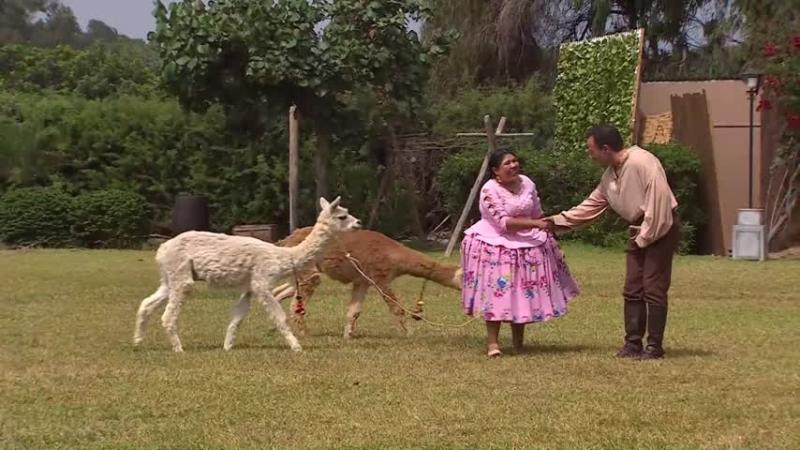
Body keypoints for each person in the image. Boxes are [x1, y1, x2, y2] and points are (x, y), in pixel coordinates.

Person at [543, 124, 680, 360]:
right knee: (632, 288)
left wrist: (645, 236)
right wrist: (555, 221)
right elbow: (591, 206)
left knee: (653, 288)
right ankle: (633, 344)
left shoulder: (642, 162)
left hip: (660, 226)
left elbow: (659, 203)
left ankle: (654, 346)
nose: (590, 155)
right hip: (638, 230)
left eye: (592, 150)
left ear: (606, 148)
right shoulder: (609, 176)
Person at [461, 148, 580, 357]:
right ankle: (493, 344)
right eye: (507, 163)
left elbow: (536, 211)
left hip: (527, 243)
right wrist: (536, 224)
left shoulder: (527, 183)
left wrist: (549, 227)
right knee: (496, 293)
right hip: (497, 245)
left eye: (515, 161)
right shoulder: (489, 190)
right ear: (495, 171)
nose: (513, 166)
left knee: (520, 292)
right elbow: (504, 223)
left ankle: (518, 342)